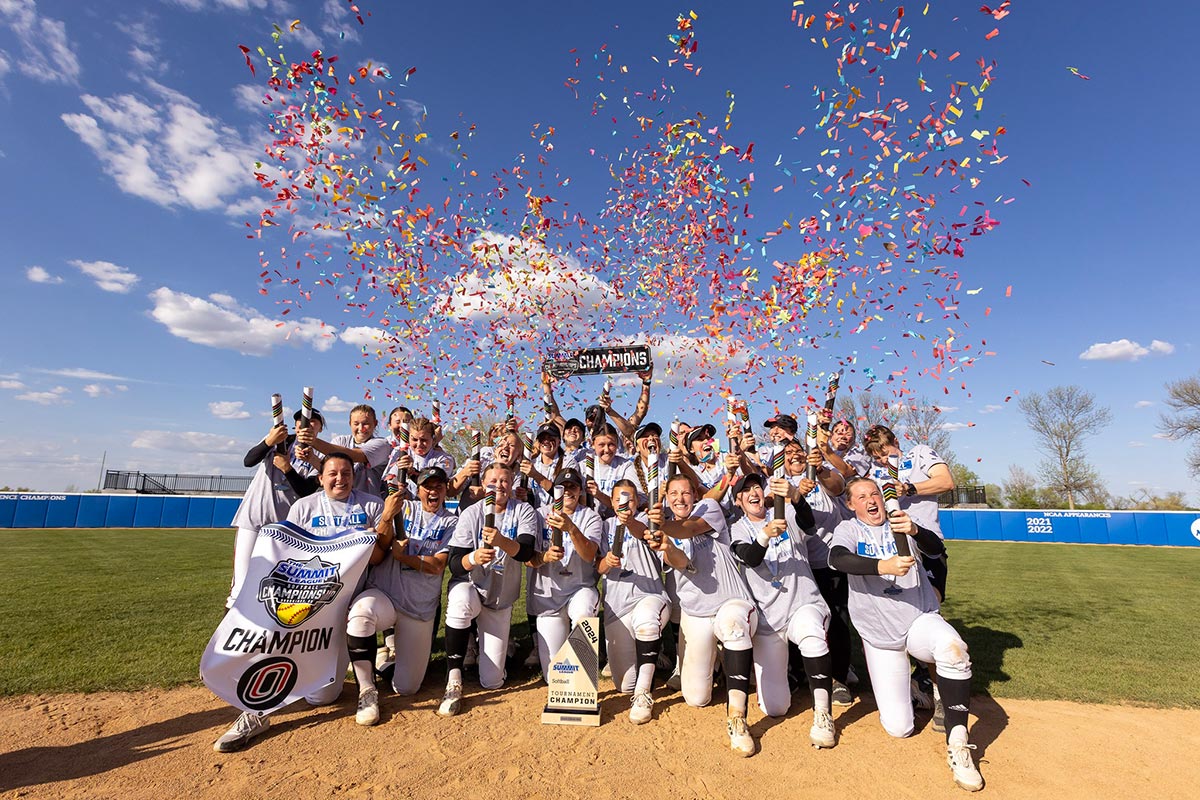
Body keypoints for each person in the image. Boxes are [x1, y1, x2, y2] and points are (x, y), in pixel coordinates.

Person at [213, 452, 392, 752]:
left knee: (326, 687)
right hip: (312, 602)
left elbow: (378, 557)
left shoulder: (372, 505)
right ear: (320, 478)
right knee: (300, 668)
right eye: (332, 473)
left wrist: (369, 538)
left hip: (355, 598)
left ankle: (367, 688)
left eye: (346, 473)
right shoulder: (303, 507)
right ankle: (256, 713)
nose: (340, 478)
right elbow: (288, 556)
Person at [829, 477, 983, 792]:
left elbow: (936, 548)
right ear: (850, 504)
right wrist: (882, 564)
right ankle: (912, 688)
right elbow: (837, 559)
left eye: (875, 493)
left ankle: (958, 744)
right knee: (900, 728)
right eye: (861, 496)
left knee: (953, 648)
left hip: (917, 618)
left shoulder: (902, 521)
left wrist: (914, 530)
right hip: (878, 633)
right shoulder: (849, 529)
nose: (871, 500)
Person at [649, 473, 759, 757]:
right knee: (697, 698)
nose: (679, 499)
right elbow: (682, 563)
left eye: (685, 493)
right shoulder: (669, 532)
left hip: (730, 601)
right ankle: (720, 661)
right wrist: (667, 548)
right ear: (667, 498)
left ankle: (737, 716)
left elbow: (690, 528)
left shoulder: (708, 510)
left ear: (695, 495)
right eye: (673, 494)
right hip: (696, 611)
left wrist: (662, 525)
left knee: (732, 625)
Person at [728, 472, 835, 748]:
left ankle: (823, 713)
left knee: (812, 632)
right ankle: (790, 680)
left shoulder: (785, 511)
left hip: (803, 603)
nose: (753, 493)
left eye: (757, 488)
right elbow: (749, 557)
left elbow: (809, 523)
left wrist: (795, 495)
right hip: (768, 618)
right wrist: (764, 535)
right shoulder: (738, 528)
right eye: (746, 491)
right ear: (738, 500)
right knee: (775, 708)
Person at [344, 466, 456, 724]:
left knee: (407, 688)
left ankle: (382, 663)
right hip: (385, 592)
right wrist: (387, 516)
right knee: (361, 613)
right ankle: (366, 688)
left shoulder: (452, 521)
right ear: (419, 489)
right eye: (428, 486)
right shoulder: (403, 508)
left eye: (439, 486)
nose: (433, 491)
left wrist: (405, 557)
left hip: (418, 605)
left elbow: (438, 565)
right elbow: (380, 543)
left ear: (446, 489)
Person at [438, 463, 538, 715]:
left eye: (505, 480)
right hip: (471, 587)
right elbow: (455, 564)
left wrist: (501, 541)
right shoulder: (471, 513)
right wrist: (473, 558)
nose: (499, 485)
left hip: (500, 597)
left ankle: (499, 653)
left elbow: (526, 551)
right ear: (484, 485)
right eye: (493, 480)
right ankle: (454, 677)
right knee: (459, 600)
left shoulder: (524, 510)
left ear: (513, 484)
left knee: (492, 681)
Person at [226, 409, 325, 609]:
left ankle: (271, 636)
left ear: (320, 428)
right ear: (295, 426)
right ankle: (230, 634)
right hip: (254, 519)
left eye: (313, 423)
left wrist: (287, 469)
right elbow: (248, 461)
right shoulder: (279, 439)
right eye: (301, 422)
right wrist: (268, 442)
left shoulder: (320, 456)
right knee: (240, 586)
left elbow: (306, 491)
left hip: (286, 529)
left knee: (278, 587)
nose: (306, 426)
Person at [782, 439, 855, 706]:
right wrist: (793, 494)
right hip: (796, 566)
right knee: (793, 618)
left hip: (827, 562)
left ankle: (838, 678)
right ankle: (796, 672)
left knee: (835, 619)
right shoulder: (778, 483)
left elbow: (838, 487)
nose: (794, 456)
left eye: (798, 451)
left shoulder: (822, 477)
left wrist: (820, 469)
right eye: (787, 454)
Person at [597, 478, 670, 724]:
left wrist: (630, 523)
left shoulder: (647, 521)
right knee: (623, 685)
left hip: (648, 596)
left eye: (628, 498)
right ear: (612, 501)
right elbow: (597, 567)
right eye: (618, 499)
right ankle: (648, 655)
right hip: (617, 607)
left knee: (648, 622)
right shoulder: (605, 526)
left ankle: (644, 693)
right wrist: (607, 562)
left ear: (637, 501)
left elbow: (646, 534)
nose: (623, 503)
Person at [526, 468, 602, 681]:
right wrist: (544, 558)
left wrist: (572, 529)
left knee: (584, 614)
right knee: (553, 676)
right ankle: (565, 687)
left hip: (579, 589)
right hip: (548, 597)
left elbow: (589, 555)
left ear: (580, 491)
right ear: (554, 489)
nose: (567, 491)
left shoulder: (590, 517)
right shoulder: (539, 515)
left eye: (573, 486)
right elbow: (527, 559)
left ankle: (583, 682)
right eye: (562, 486)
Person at [299, 404, 391, 497]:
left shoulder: (382, 444)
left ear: (375, 424)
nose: (361, 428)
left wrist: (313, 441)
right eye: (356, 423)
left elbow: (353, 455)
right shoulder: (340, 441)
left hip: (368, 503)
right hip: (341, 501)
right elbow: (327, 469)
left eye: (366, 423)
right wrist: (311, 458)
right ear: (350, 423)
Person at [584, 423, 637, 517]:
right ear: (592, 444)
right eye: (601, 445)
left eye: (611, 444)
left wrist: (600, 495)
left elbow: (630, 503)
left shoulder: (626, 466)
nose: (607, 450)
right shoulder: (584, 466)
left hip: (618, 521)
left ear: (617, 444)